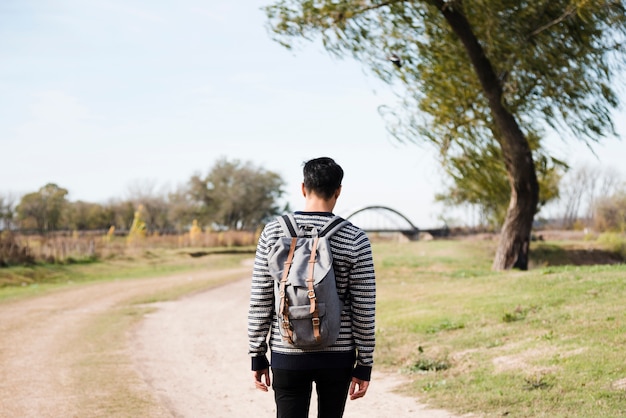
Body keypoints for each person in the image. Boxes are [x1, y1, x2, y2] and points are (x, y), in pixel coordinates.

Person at [247, 157, 376, 418]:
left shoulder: (273, 232)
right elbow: (364, 306)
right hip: (338, 355)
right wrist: (364, 362)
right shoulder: (355, 238)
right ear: (338, 191)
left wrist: (257, 353)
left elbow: (260, 299)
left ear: (303, 188)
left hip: (287, 351)